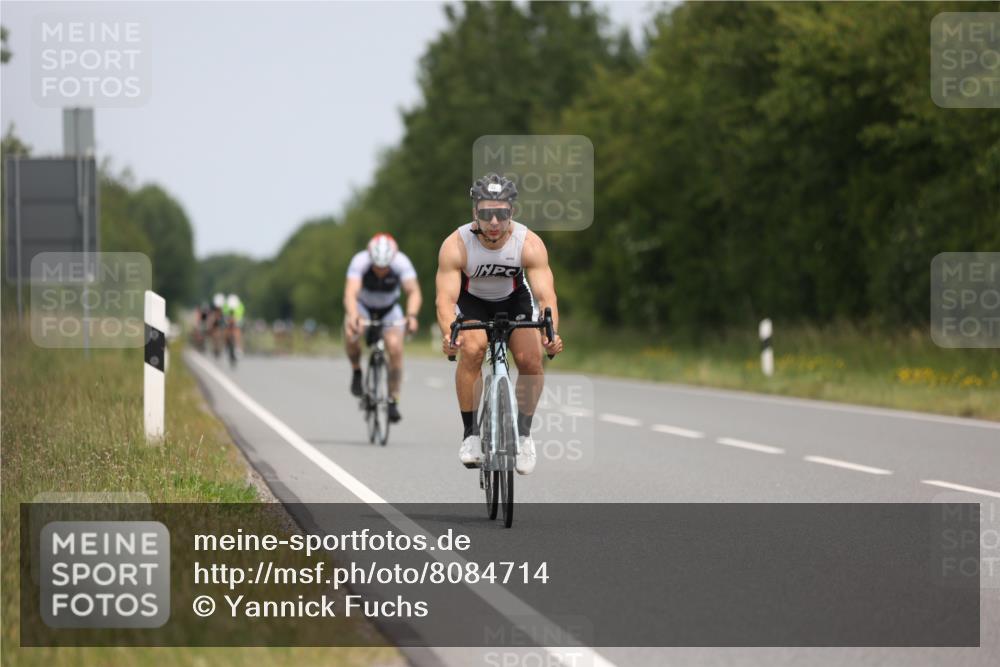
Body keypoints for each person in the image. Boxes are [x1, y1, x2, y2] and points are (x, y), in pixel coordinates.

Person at [435, 173, 563, 475]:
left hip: (513, 300)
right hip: (472, 303)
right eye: (486, 213)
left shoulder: (529, 243)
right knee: (473, 348)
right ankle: (470, 435)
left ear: (512, 214)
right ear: (474, 213)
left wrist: (551, 333)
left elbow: (546, 297)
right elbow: (445, 299)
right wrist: (448, 335)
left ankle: (524, 434)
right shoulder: (456, 245)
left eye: (502, 214)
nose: (494, 221)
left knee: (531, 359)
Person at [344, 233, 421, 422]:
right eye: (377, 267)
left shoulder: (402, 263)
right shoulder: (359, 261)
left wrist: (411, 316)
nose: (380, 271)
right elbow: (350, 293)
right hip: (363, 306)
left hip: (389, 308)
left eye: (384, 267)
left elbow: (413, 292)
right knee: (352, 331)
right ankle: (356, 371)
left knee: (395, 348)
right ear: (370, 258)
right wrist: (354, 316)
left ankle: (393, 399)